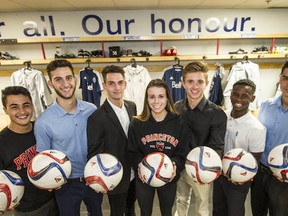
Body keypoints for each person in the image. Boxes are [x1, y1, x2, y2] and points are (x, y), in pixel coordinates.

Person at [34, 59, 103, 216]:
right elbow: (42, 157)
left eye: (68, 78)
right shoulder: (43, 121)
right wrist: (49, 180)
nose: (65, 84)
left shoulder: (92, 110)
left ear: (75, 79)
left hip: (94, 176)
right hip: (65, 183)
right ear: (50, 83)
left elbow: (101, 142)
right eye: (58, 79)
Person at [174, 60, 227, 216]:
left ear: (206, 83)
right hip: (180, 166)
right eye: (190, 81)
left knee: (202, 209)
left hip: (202, 169)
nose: (195, 86)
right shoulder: (175, 108)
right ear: (183, 83)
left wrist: (206, 169)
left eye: (199, 82)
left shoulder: (217, 114)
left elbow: (217, 147)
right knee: (180, 202)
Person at [128, 78, 188, 216]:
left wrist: (175, 166)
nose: (156, 102)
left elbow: (182, 153)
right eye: (152, 97)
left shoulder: (179, 122)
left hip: (168, 175)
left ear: (167, 98)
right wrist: (139, 165)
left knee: (167, 211)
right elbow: (132, 151)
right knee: (145, 211)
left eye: (161, 96)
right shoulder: (137, 123)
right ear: (147, 99)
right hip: (144, 176)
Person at [0, 86, 58, 216]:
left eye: (26, 105)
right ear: (6, 110)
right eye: (14, 107)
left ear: (32, 105)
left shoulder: (42, 128)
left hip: (54, 198)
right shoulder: (2, 143)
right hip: (29, 208)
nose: (22, 111)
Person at [87, 65, 137, 216]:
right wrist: (96, 177)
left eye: (120, 82)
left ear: (125, 84)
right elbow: (94, 151)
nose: (117, 87)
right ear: (104, 86)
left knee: (131, 209)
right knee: (117, 212)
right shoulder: (96, 117)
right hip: (114, 175)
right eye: (111, 83)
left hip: (134, 173)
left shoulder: (132, 107)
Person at [212, 79, 266, 216]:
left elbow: (256, 159)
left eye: (244, 96)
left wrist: (243, 177)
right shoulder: (221, 116)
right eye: (236, 94)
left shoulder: (256, 128)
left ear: (252, 98)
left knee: (234, 211)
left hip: (239, 179)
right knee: (218, 210)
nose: (238, 99)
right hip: (219, 176)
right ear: (230, 95)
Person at [251, 61, 288, 216]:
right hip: (260, 173)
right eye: (286, 78)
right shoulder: (265, 105)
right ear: (280, 79)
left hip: (282, 179)